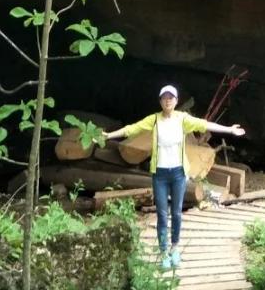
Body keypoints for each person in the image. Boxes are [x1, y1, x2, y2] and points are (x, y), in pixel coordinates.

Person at [101, 85, 246, 270]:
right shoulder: (154, 120)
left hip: (178, 173)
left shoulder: (182, 119)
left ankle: (175, 248)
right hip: (160, 174)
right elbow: (132, 129)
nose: (168, 100)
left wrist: (229, 129)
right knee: (162, 214)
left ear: (176, 101)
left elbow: (204, 124)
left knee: (176, 213)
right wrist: (109, 135)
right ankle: (163, 253)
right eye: (164, 98)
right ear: (160, 101)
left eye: (171, 98)